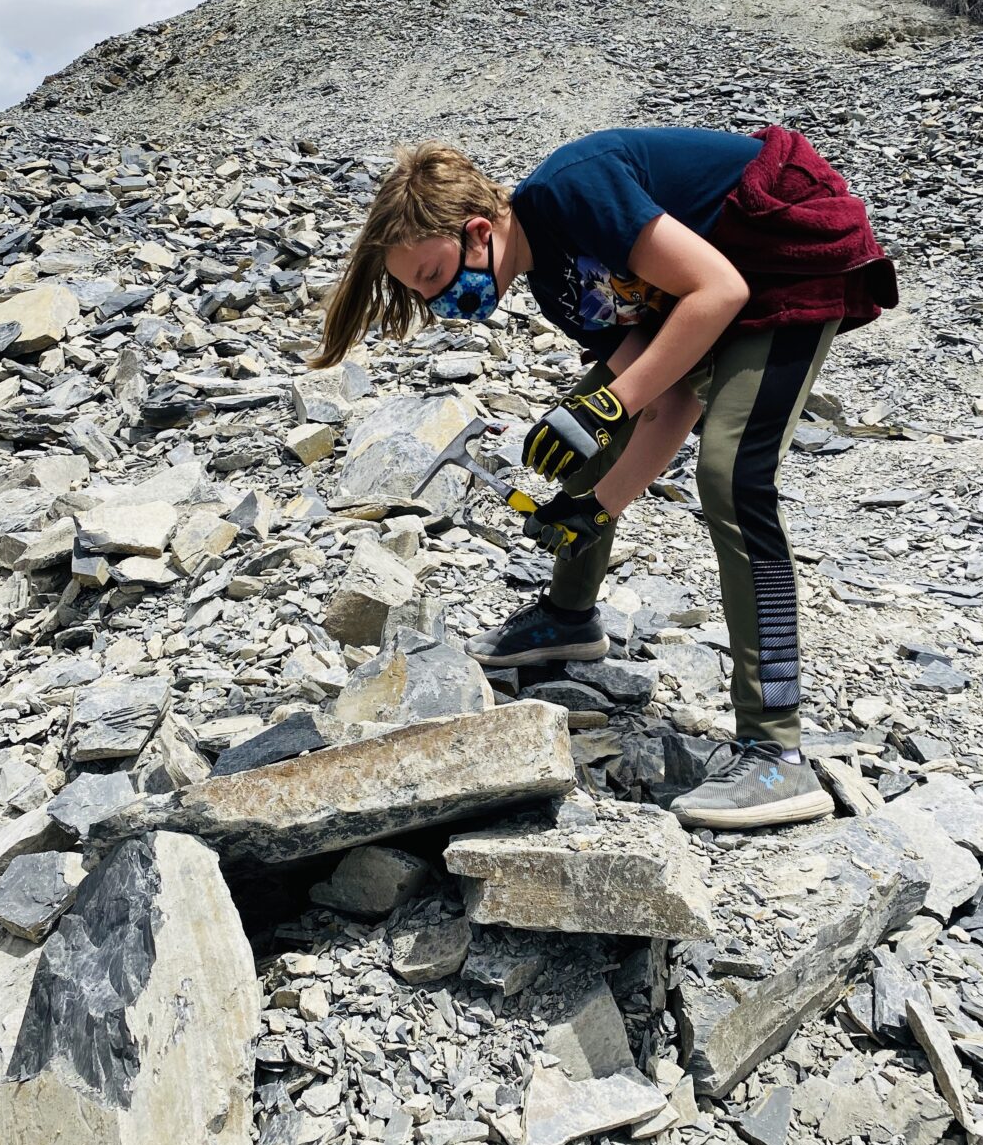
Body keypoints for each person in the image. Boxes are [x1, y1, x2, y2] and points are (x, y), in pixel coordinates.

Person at [314, 127, 897, 829]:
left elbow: (719, 288)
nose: (440, 303)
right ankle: (568, 618)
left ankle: (777, 753)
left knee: (731, 478)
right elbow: (667, 396)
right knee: (584, 433)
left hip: (785, 257)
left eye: (433, 277)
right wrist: (593, 505)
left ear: (477, 232)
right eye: (420, 292)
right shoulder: (556, 288)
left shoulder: (573, 190)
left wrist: (609, 404)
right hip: (720, 291)